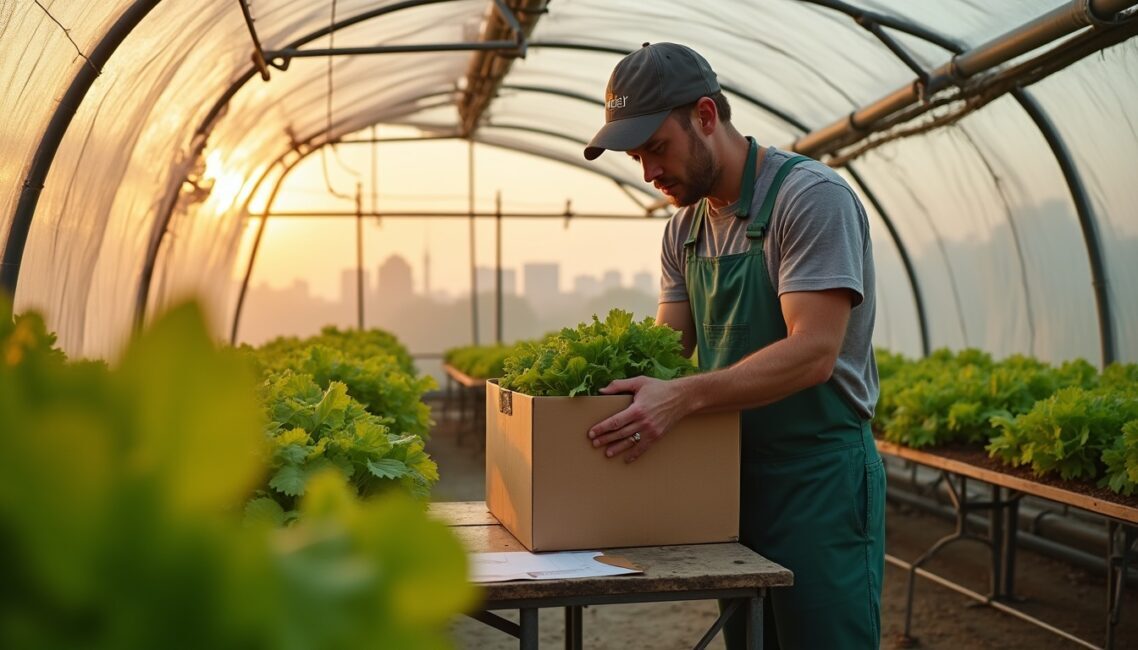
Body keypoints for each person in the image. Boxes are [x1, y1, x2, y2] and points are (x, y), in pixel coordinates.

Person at [582, 42, 885, 649]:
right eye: (636, 157)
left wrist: (681, 398)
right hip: (728, 481)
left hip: (818, 480)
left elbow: (813, 352)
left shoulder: (808, 198)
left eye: (656, 148)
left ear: (705, 116)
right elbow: (667, 350)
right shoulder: (684, 229)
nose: (648, 172)